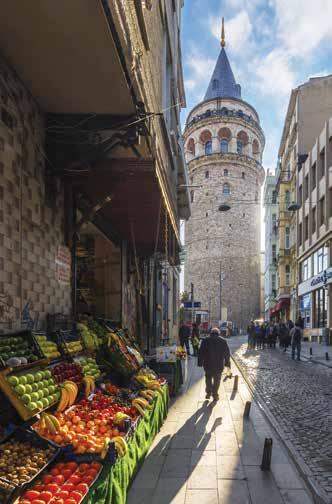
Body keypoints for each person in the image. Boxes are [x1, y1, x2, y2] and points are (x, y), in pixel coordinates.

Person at [198, 327, 231, 401]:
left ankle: (208, 393)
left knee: (208, 378)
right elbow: (227, 354)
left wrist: (200, 362)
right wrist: (227, 364)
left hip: (208, 364)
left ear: (211, 333)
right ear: (218, 333)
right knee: (217, 380)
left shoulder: (206, 340)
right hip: (219, 365)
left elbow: (200, 352)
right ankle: (215, 394)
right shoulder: (223, 341)